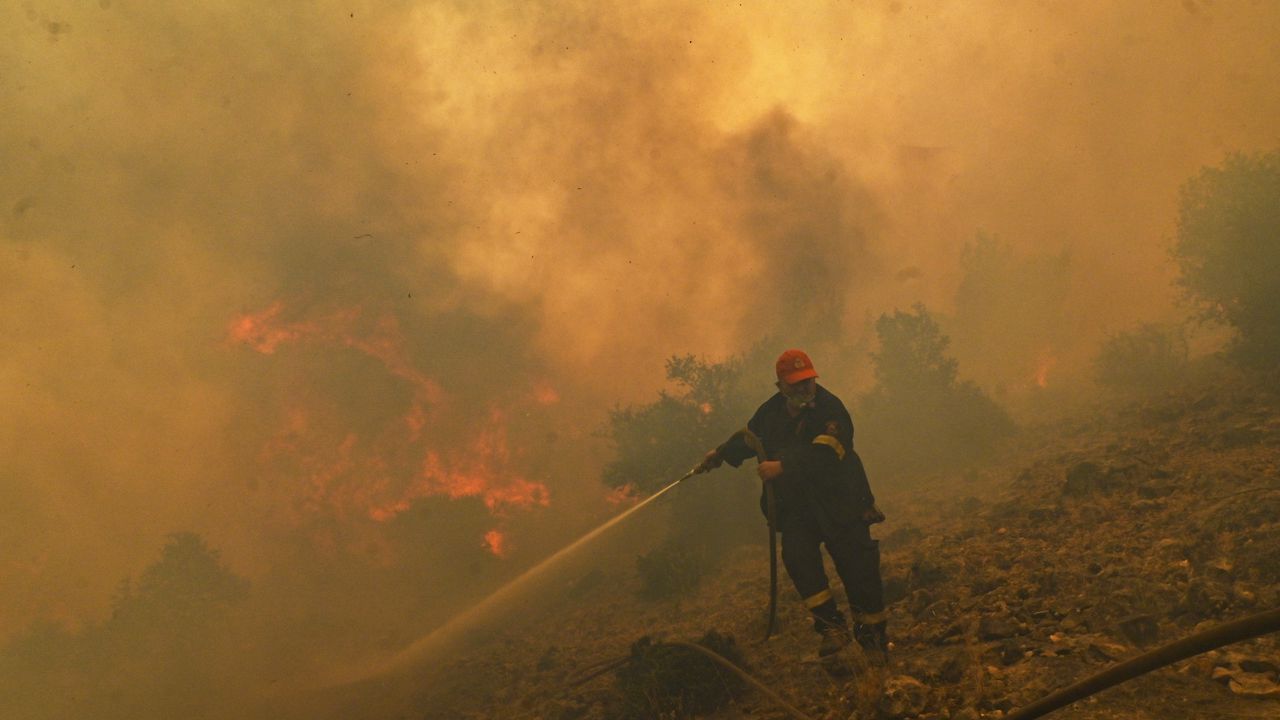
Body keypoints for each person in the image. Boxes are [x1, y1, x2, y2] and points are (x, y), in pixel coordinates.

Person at [700, 349, 887, 661]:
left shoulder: (831, 409)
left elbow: (828, 454)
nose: (804, 388)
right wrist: (719, 454)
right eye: (796, 384)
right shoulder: (770, 412)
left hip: (840, 503)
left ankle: (874, 644)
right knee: (798, 560)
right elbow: (750, 439)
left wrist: (782, 465)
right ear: (781, 386)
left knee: (859, 570)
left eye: (808, 381)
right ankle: (831, 628)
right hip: (799, 508)